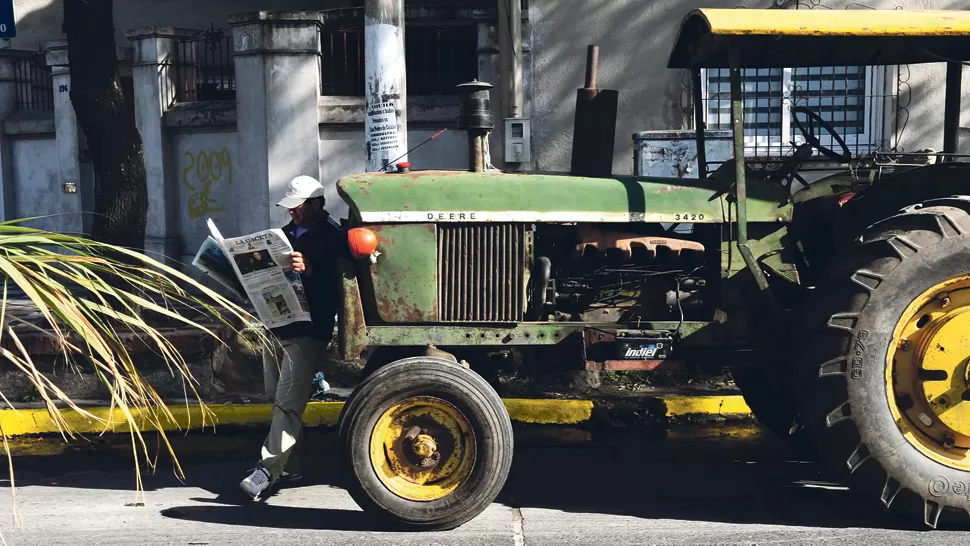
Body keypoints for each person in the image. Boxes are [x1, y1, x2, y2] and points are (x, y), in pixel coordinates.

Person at [239, 175, 349, 499]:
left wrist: (310, 271)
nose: (292, 214)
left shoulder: (333, 238)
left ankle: (267, 471)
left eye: (298, 208)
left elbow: (339, 292)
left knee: (287, 404)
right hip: (275, 326)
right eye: (289, 209)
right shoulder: (285, 235)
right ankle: (290, 467)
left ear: (317, 204)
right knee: (277, 399)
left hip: (308, 331)